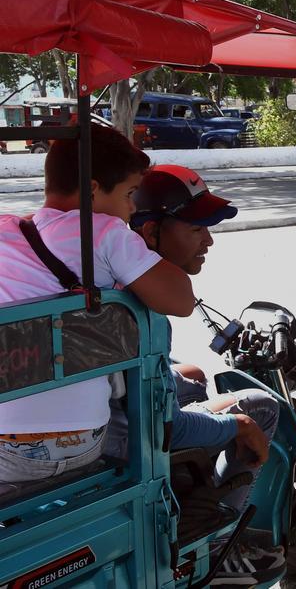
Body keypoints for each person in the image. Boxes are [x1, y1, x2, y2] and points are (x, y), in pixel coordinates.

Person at [0, 124, 194, 488]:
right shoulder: (102, 231)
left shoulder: (6, 233)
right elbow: (182, 300)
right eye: (129, 194)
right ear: (92, 190)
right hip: (80, 441)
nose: (132, 207)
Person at [128, 165, 284, 586]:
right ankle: (217, 549)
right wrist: (239, 425)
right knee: (260, 408)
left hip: (115, 416)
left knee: (194, 375)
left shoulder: (119, 277)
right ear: (150, 231)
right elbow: (164, 426)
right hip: (126, 437)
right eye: (197, 228)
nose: (209, 241)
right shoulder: (142, 308)